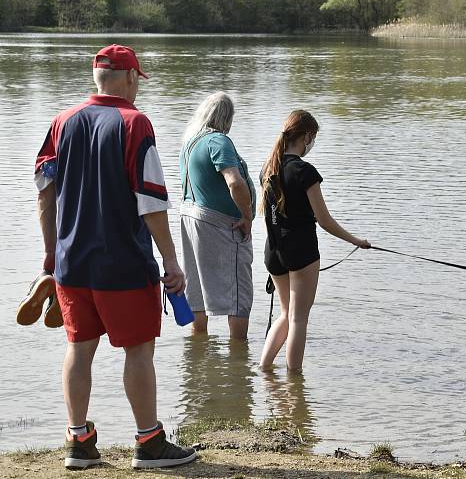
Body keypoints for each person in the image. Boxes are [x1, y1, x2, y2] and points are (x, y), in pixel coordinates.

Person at [34, 44, 197, 470]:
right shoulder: (135, 123)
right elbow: (151, 200)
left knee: (78, 348)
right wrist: (172, 262)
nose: (137, 89)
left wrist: (51, 257)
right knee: (139, 351)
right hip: (123, 263)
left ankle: (79, 443)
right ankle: (149, 443)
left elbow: (44, 192)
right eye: (137, 80)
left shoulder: (61, 122)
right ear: (127, 78)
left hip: (72, 265)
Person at [259, 110, 371, 371]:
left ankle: (264, 369)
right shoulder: (305, 171)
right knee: (298, 320)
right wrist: (356, 241)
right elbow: (325, 220)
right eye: (314, 137)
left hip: (273, 252)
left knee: (285, 314)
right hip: (301, 251)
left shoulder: (268, 167)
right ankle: (295, 382)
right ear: (307, 136)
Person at [179, 92, 255, 340]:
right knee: (238, 294)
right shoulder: (218, 141)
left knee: (198, 288)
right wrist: (247, 215)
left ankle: (198, 344)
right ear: (227, 118)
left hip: (190, 217)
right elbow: (234, 182)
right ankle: (238, 354)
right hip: (219, 223)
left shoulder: (189, 142)